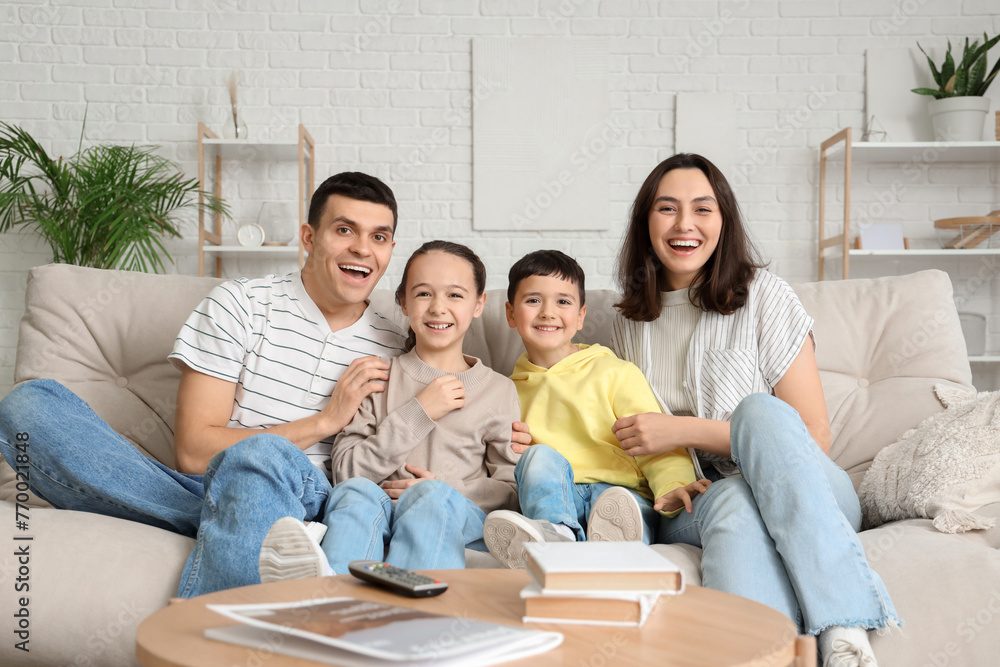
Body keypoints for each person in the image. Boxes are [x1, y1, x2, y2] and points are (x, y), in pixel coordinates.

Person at [0, 172, 409, 597]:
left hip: (316, 494)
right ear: (309, 237)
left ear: (390, 249)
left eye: (379, 237)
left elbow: (393, 454)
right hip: (209, 484)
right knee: (28, 407)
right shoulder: (240, 305)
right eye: (345, 230)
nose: (363, 248)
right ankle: (262, 527)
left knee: (264, 454)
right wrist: (324, 422)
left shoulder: (396, 344)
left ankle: (216, 636)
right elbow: (194, 452)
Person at [606, 153, 898, 666]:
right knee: (734, 501)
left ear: (725, 221)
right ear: (645, 223)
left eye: (703, 209)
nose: (684, 225)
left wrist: (682, 430)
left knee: (760, 412)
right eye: (667, 209)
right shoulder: (630, 322)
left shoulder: (766, 297)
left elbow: (813, 435)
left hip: (808, 489)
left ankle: (844, 626)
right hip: (698, 502)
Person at [257, 240, 522, 581]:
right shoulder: (377, 375)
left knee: (429, 497)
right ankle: (333, 599)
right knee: (354, 493)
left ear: (478, 304)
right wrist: (418, 412)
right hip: (380, 508)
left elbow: (511, 491)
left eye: (455, 295)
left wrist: (444, 487)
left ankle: (417, 615)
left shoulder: (498, 390)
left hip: (456, 512)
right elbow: (346, 473)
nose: (438, 308)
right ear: (404, 302)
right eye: (424, 294)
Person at [481, 249, 709, 570]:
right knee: (538, 456)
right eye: (533, 301)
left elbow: (654, 440)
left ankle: (615, 549)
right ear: (511, 313)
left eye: (563, 302)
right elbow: (502, 461)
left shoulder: (614, 372)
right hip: (557, 499)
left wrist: (674, 485)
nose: (548, 312)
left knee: (621, 507)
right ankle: (557, 534)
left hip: (620, 494)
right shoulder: (505, 391)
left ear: (581, 315)